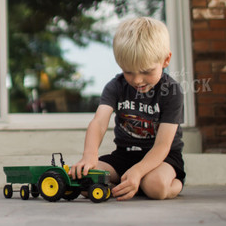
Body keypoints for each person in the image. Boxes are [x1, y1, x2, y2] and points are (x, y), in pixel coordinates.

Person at [69, 17, 185, 200]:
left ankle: (174, 183)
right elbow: (99, 122)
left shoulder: (171, 91)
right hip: (124, 156)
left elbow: (163, 145)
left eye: (146, 71)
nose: (137, 80)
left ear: (165, 60)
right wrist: (89, 156)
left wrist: (139, 170)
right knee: (86, 182)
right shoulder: (115, 86)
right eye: (128, 72)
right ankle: (130, 183)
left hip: (161, 159)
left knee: (155, 187)